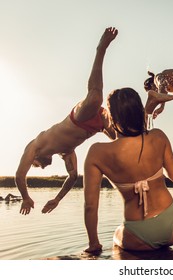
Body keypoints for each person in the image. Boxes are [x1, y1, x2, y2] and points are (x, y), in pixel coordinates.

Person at [15, 27, 118, 215]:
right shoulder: (67, 152)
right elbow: (72, 177)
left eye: (36, 166)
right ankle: (150, 106)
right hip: (98, 126)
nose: (42, 167)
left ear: (35, 159)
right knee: (124, 141)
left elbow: (20, 176)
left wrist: (25, 197)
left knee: (95, 97)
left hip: (78, 119)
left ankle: (100, 49)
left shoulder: (36, 144)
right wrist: (57, 199)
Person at [83, 87, 173, 253]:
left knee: (117, 235)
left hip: (139, 234)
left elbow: (90, 206)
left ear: (111, 116)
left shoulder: (97, 153)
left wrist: (93, 244)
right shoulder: (158, 136)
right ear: (140, 111)